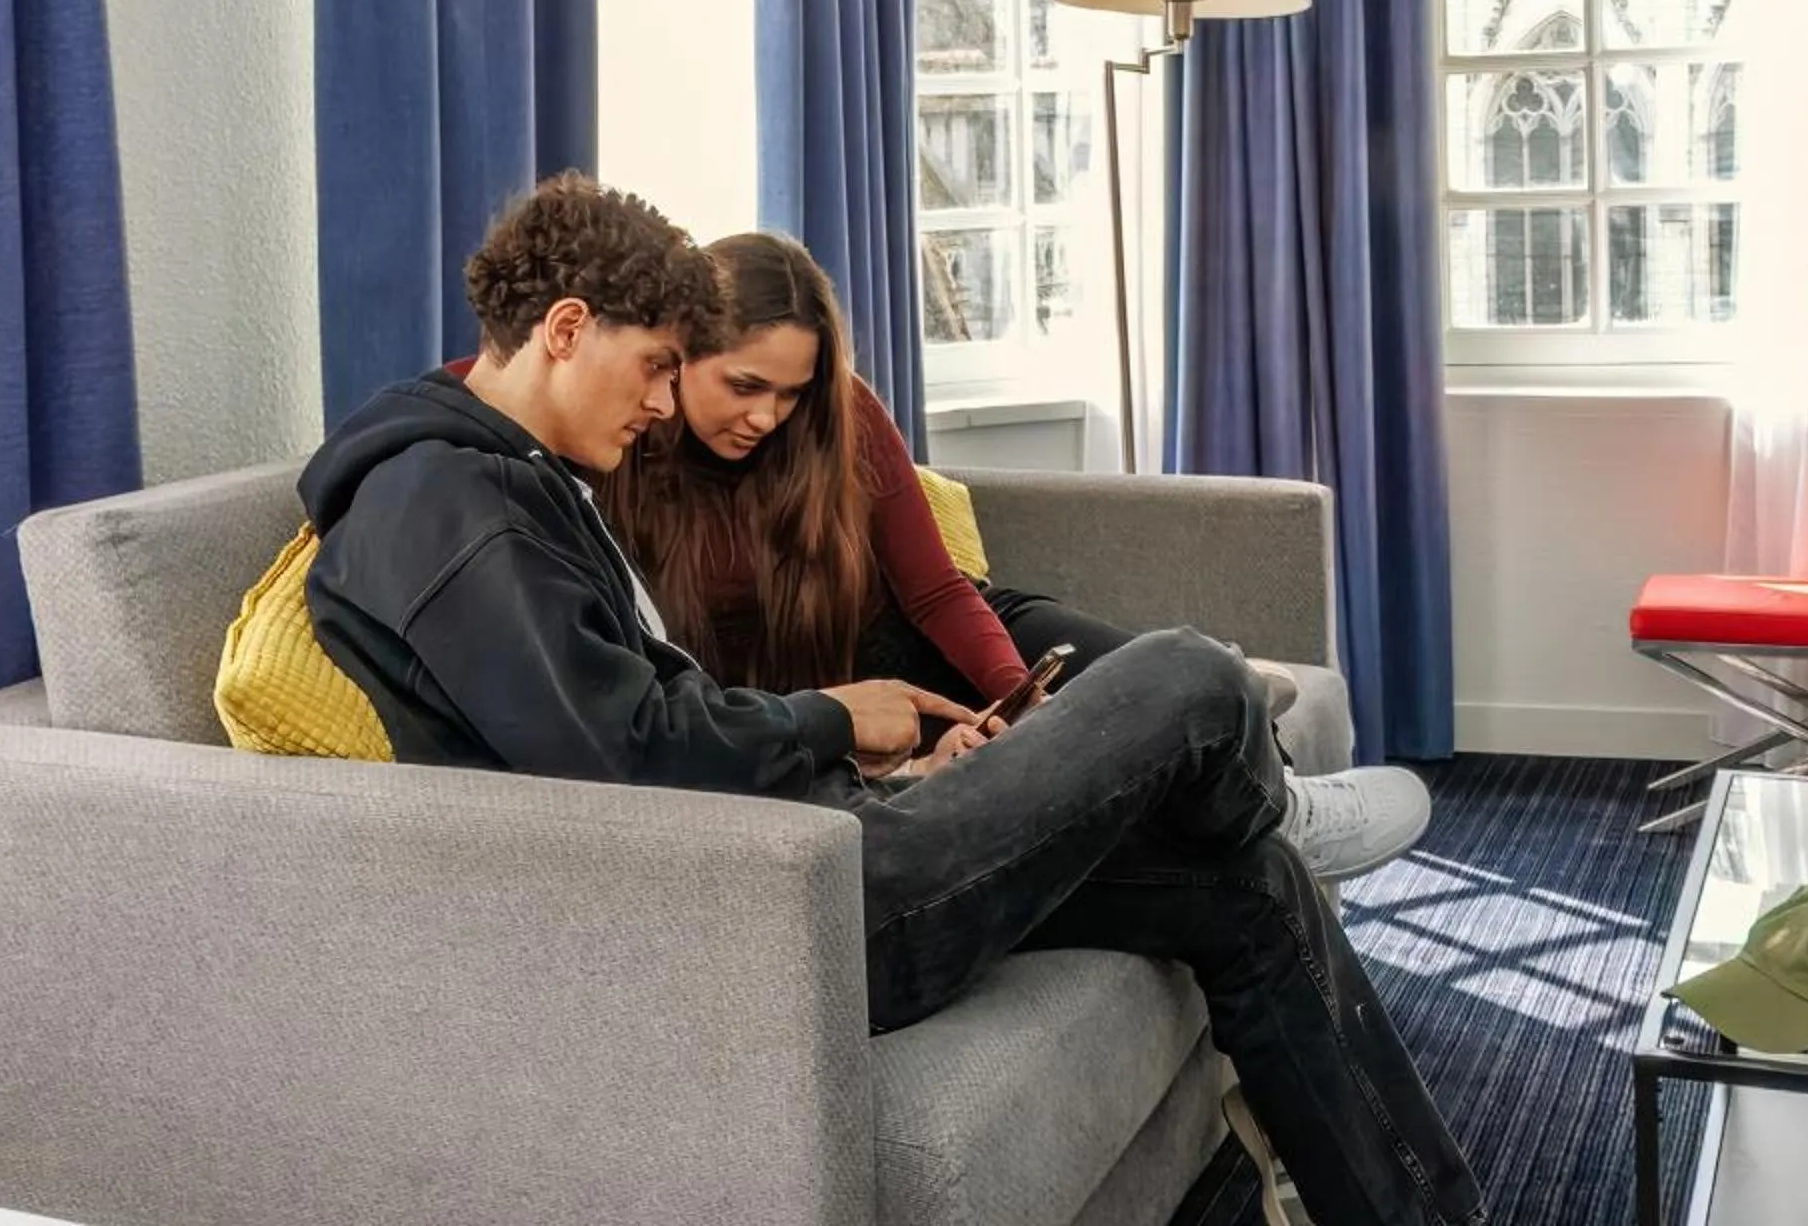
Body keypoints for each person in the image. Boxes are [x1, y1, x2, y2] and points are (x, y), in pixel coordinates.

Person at [303, 176, 1486, 1226]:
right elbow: (624, 757)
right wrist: (833, 720)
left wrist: (884, 770)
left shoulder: (520, 485)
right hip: (791, 911)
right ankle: (1270, 797)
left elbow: (656, 703)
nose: (665, 402)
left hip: (825, 842)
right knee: (1184, 673)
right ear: (566, 330)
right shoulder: (450, 511)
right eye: (660, 362)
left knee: (1248, 890)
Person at [592, 230, 1147, 711]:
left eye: (791, 394)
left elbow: (936, 593)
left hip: (938, 642)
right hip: (844, 700)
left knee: (1180, 676)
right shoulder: (617, 444)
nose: (765, 417)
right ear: (678, 355)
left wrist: (1017, 697)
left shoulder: (839, 410)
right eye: (744, 386)